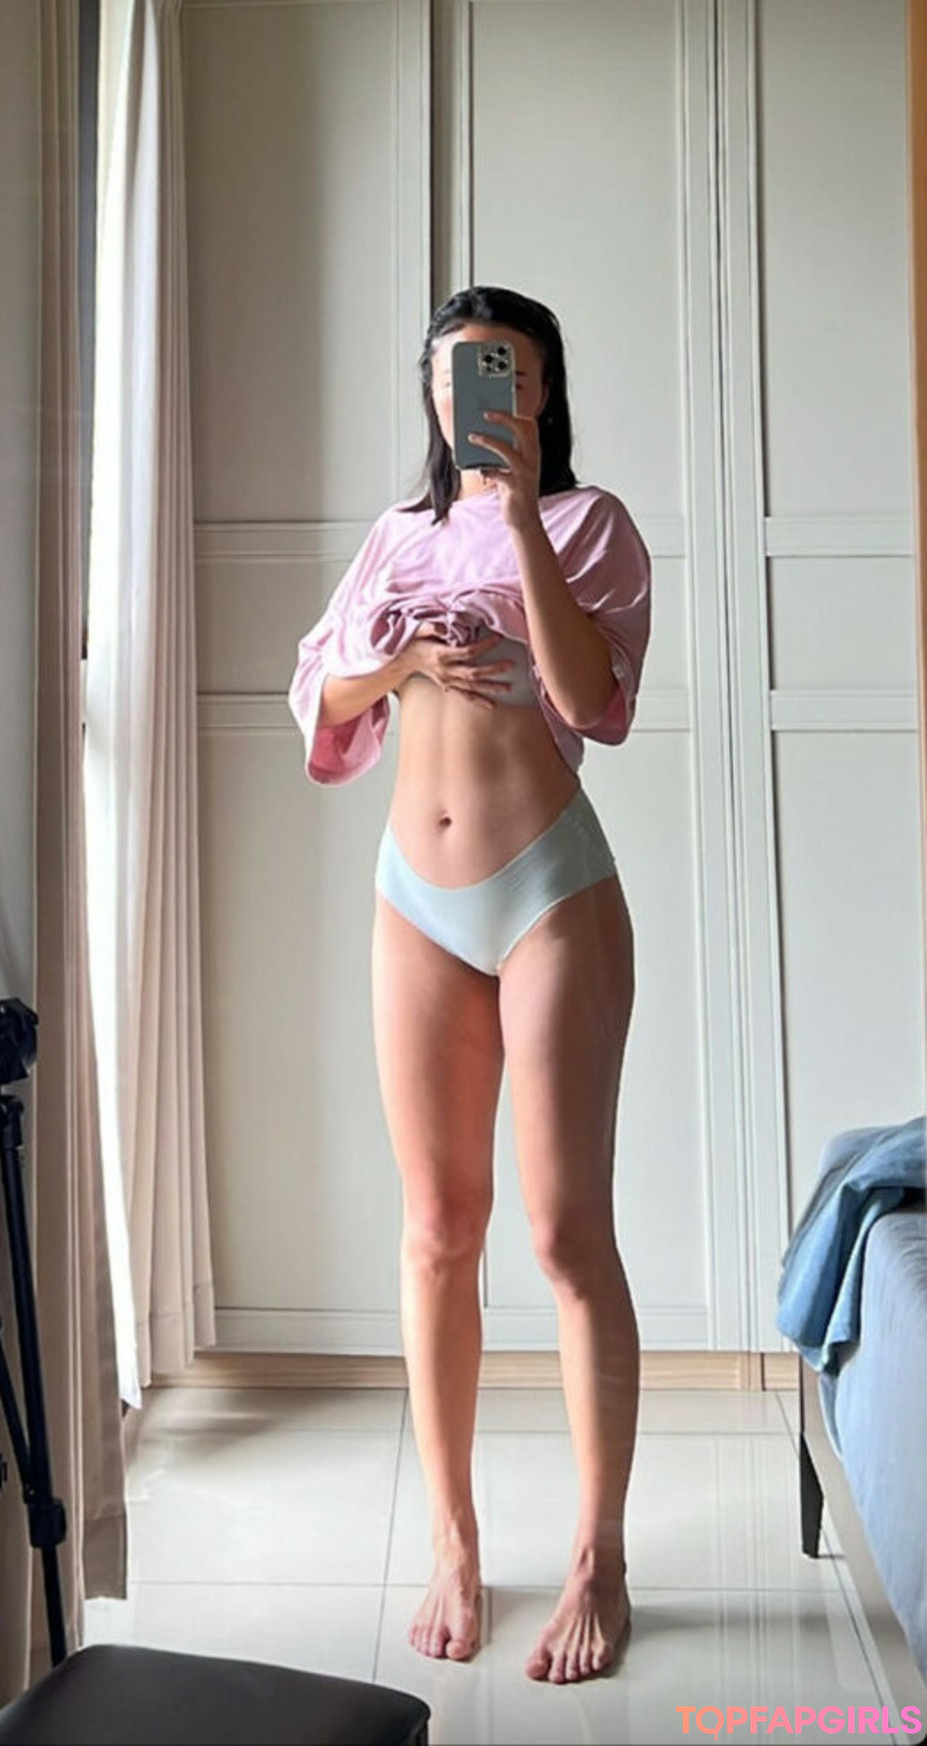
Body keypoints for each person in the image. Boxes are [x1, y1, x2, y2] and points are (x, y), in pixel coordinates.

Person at [287, 285, 652, 1685]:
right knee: (439, 1227)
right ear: (432, 394)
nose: (479, 395)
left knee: (565, 1236)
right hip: (414, 902)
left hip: (548, 893)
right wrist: (400, 654)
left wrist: (519, 523)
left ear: (542, 392)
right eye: (456, 374)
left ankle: (598, 1555)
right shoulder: (395, 535)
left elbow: (596, 699)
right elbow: (321, 696)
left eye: (506, 372)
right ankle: (452, 1541)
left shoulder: (589, 523)